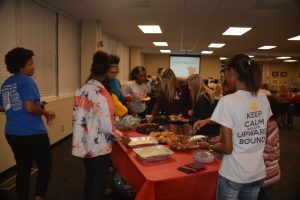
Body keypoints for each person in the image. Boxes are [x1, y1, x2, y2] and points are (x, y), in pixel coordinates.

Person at [194, 54, 272, 199]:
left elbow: (227, 148)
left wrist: (208, 146)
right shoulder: (263, 99)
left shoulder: (228, 101)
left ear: (233, 72)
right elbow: (260, 134)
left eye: (225, 74)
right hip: (257, 173)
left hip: (234, 174)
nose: (225, 79)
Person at [72, 50, 129, 200]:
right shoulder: (102, 94)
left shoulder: (81, 89)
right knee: (99, 182)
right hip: (99, 146)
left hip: (85, 142)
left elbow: (77, 117)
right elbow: (108, 127)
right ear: (105, 72)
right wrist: (122, 137)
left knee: (90, 178)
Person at [0, 47, 55, 200]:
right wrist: (46, 112)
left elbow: (2, 107)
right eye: (30, 64)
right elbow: (30, 107)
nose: (33, 67)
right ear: (21, 67)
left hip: (12, 133)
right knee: (45, 165)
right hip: (33, 133)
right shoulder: (27, 81)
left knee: (23, 169)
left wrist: (15, 106)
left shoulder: (6, 83)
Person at [151, 68, 192, 135]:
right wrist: (152, 113)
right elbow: (158, 103)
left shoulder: (183, 85)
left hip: (185, 117)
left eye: (167, 81)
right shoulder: (164, 89)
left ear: (172, 80)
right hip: (172, 118)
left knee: (187, 137)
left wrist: (182, 113)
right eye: (164, 81)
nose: (166, 83)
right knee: (173, 138)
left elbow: (189, 102)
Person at [258, 95, 281, 200]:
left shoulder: (269, 127)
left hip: (265, 175)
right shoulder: (269, 124)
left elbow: (263, 154)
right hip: (268, 173)